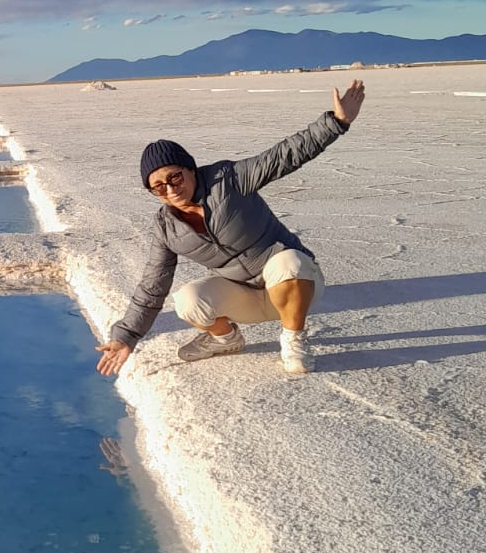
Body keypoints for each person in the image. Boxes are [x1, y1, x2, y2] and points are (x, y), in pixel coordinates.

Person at [95, 81, 365, 379]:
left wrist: (337, 123)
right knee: (188, 301)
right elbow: (152, 286)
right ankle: (225, 339)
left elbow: (283, 156)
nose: (170, 190)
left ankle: (294, 340)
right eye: (158, 187)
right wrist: (126, 336)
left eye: (175, 178)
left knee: (290, 262)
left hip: (297, 287)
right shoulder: (166, 228)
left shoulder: (228, 180)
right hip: (246, 297)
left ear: (190, 169)